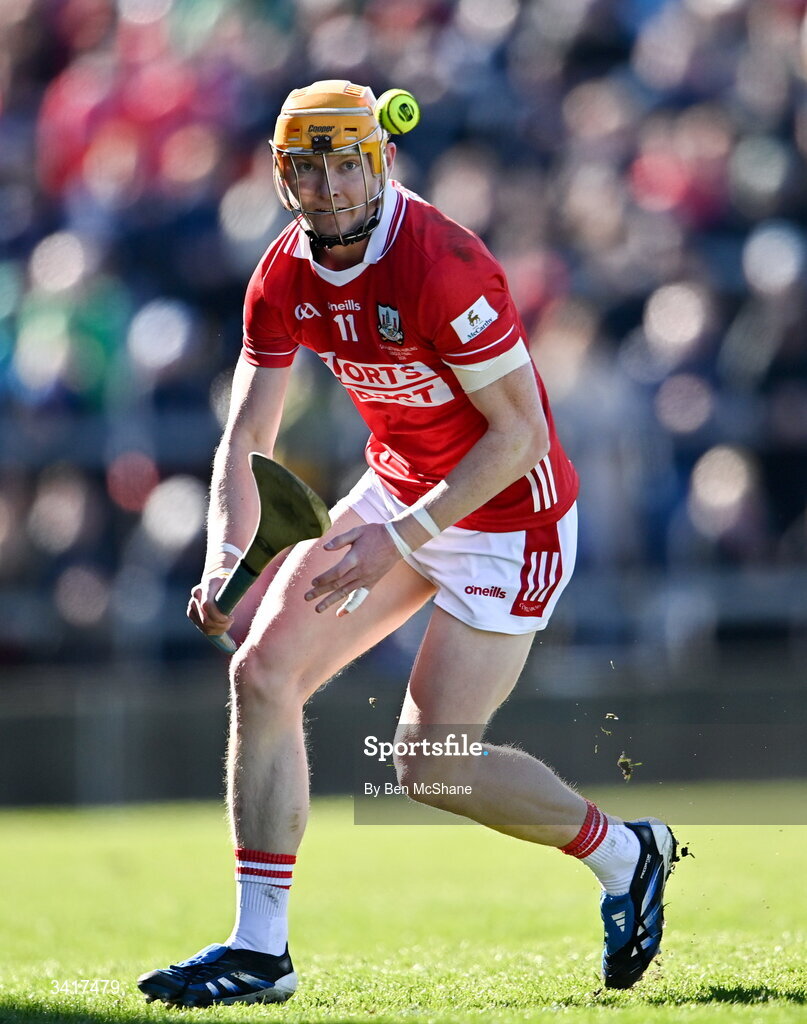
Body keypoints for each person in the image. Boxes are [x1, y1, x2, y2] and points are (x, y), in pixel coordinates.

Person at [137, 80, 678, 1008]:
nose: (332, 187)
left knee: (428, 767)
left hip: (511, 515)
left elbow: (521, 439)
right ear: (282, 177)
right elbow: (247, 434)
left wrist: (402, 537)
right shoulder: (284, 273)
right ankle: (260, 950)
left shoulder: (438, 263)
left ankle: (626, 853)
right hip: (401, 488)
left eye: (348, 163)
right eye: (309, 169)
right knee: (260, 673)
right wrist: (227, 556)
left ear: (378, 160)